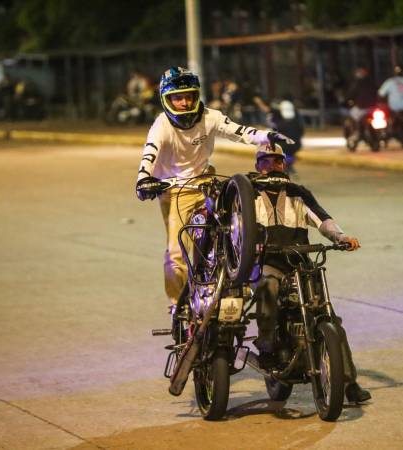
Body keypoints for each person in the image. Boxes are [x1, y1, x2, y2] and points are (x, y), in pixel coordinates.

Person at [135, 66, 293, 309]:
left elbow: (239, 132)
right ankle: (178, 305)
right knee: (177, 254)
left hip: (206, 181)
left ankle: (236, 270)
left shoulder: (211, 117)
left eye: (189, 95)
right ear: (166, 100)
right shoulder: (161, 126)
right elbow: (149, 155)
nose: (185, 102)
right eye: (177, 98)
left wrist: (267, 136)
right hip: (175, 188)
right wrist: (143, 179)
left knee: (235, 222)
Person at [249, 143, 371, 404]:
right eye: (266, 162)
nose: (273, 166)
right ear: (257, 166)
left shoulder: (299, 193)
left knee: (330, 318)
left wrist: (341, 237)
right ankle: (267, 347)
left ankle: (348, 384)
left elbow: (322, 219)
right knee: (268, 288)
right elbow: (237, 228)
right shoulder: (248, 194)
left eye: (277, 161)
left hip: (299, 261)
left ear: (285, 165)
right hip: (267, 262)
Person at [253, 94, 304, 174]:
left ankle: (272, 167)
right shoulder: (297, 121)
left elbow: (274, 133)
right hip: (296, 145)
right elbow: (301, 132)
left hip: (285, 146)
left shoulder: (280, 122)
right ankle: (287, 165)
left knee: (266, 145)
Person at [378, 65, 403, 145]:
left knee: (386, 118)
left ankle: (386, 133)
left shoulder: (390, 82)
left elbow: (381, 93)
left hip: (394, 108)